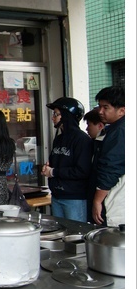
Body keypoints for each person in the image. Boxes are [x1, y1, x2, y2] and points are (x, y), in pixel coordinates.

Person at [41, 97, 93, 222]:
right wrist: (47, 168)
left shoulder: (82, 139)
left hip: (74, 198)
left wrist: (53, 171)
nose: (53, 117)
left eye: (56, 114)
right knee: (60, 235)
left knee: (75, 236)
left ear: (66, 115)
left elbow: (82, 171)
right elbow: (56, 163)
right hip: (57, 196)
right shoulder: (58, 139)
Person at [89, 86, 125, 227]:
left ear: (122, 110)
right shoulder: (113, 129)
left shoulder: (120, 131)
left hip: (115, 200)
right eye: (99, 106)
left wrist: (97, 201)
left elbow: (110, 168)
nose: (100, 111)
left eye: (105, 107)